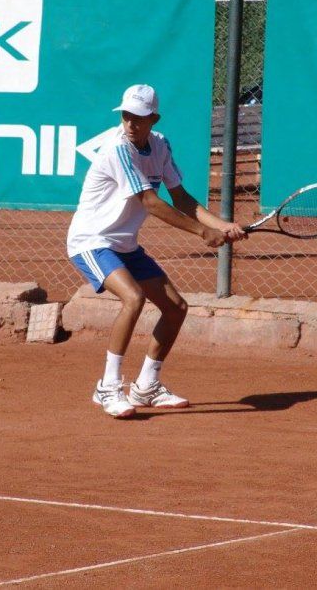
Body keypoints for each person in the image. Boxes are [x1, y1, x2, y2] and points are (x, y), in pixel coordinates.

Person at [66, 84, 248, 418]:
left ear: (153, 118)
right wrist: (203, 233)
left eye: (138, 117)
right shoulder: (117, 149)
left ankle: (146, 386)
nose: (131, 123)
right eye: (126, 116)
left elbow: (182, 198)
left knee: (176, 307)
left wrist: (222, 226)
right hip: (92, 240)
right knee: (133, 298)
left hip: (124, 244)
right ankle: (108, 387)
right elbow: (150, 202)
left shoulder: (160, 145)